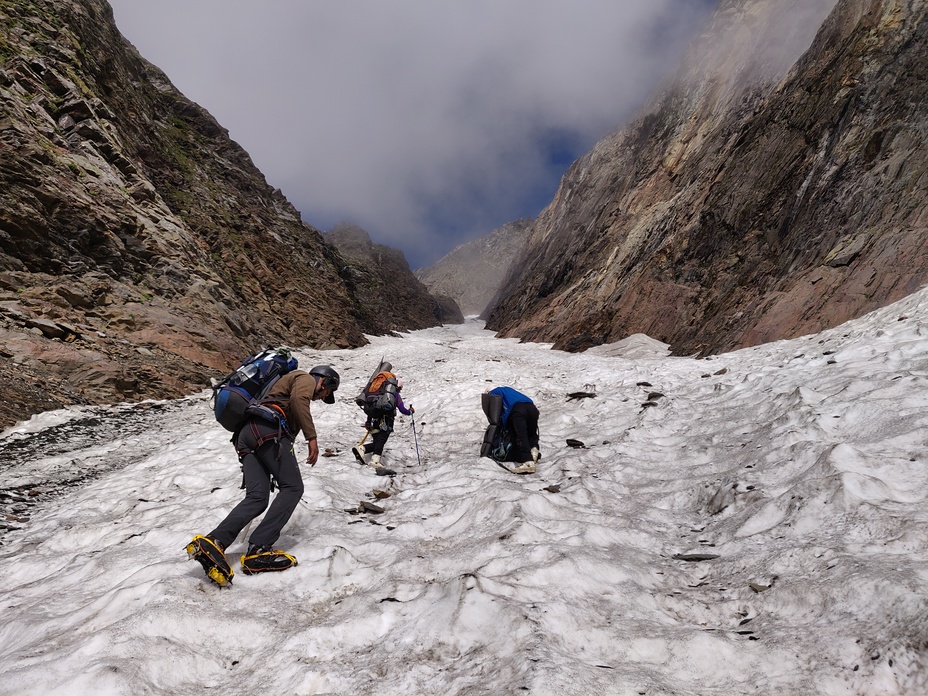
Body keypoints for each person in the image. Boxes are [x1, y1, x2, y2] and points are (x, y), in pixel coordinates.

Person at [189, 364, 340, 582]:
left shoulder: (283, 385)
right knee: (293, 487)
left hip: (247, 435)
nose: (322, 396)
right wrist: (312, 438)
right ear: (325, 381)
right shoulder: (305, 378)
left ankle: (215, 541)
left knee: (258, 498)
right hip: (268, 432)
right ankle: (259, 548)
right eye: (327, 392)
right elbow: (299, 401)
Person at [352, 377, 414, 470]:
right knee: (381, 440)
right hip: (387, 421)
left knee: (377, 442)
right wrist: (410, 412)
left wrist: (368, 422)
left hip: (375, 420)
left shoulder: (378, 394)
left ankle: (362, 449)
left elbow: (372, 409)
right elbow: (402, 409)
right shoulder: (395, 395)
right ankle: (375, 460)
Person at [487, 386, 540, 474]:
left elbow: (497, 410)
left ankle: (528, 462)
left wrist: (503, 426)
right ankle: (534, 450)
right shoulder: (508, 390)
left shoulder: (493, 393)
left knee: (521, 435)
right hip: (532, 408)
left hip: (518, 410)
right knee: (531, 432)